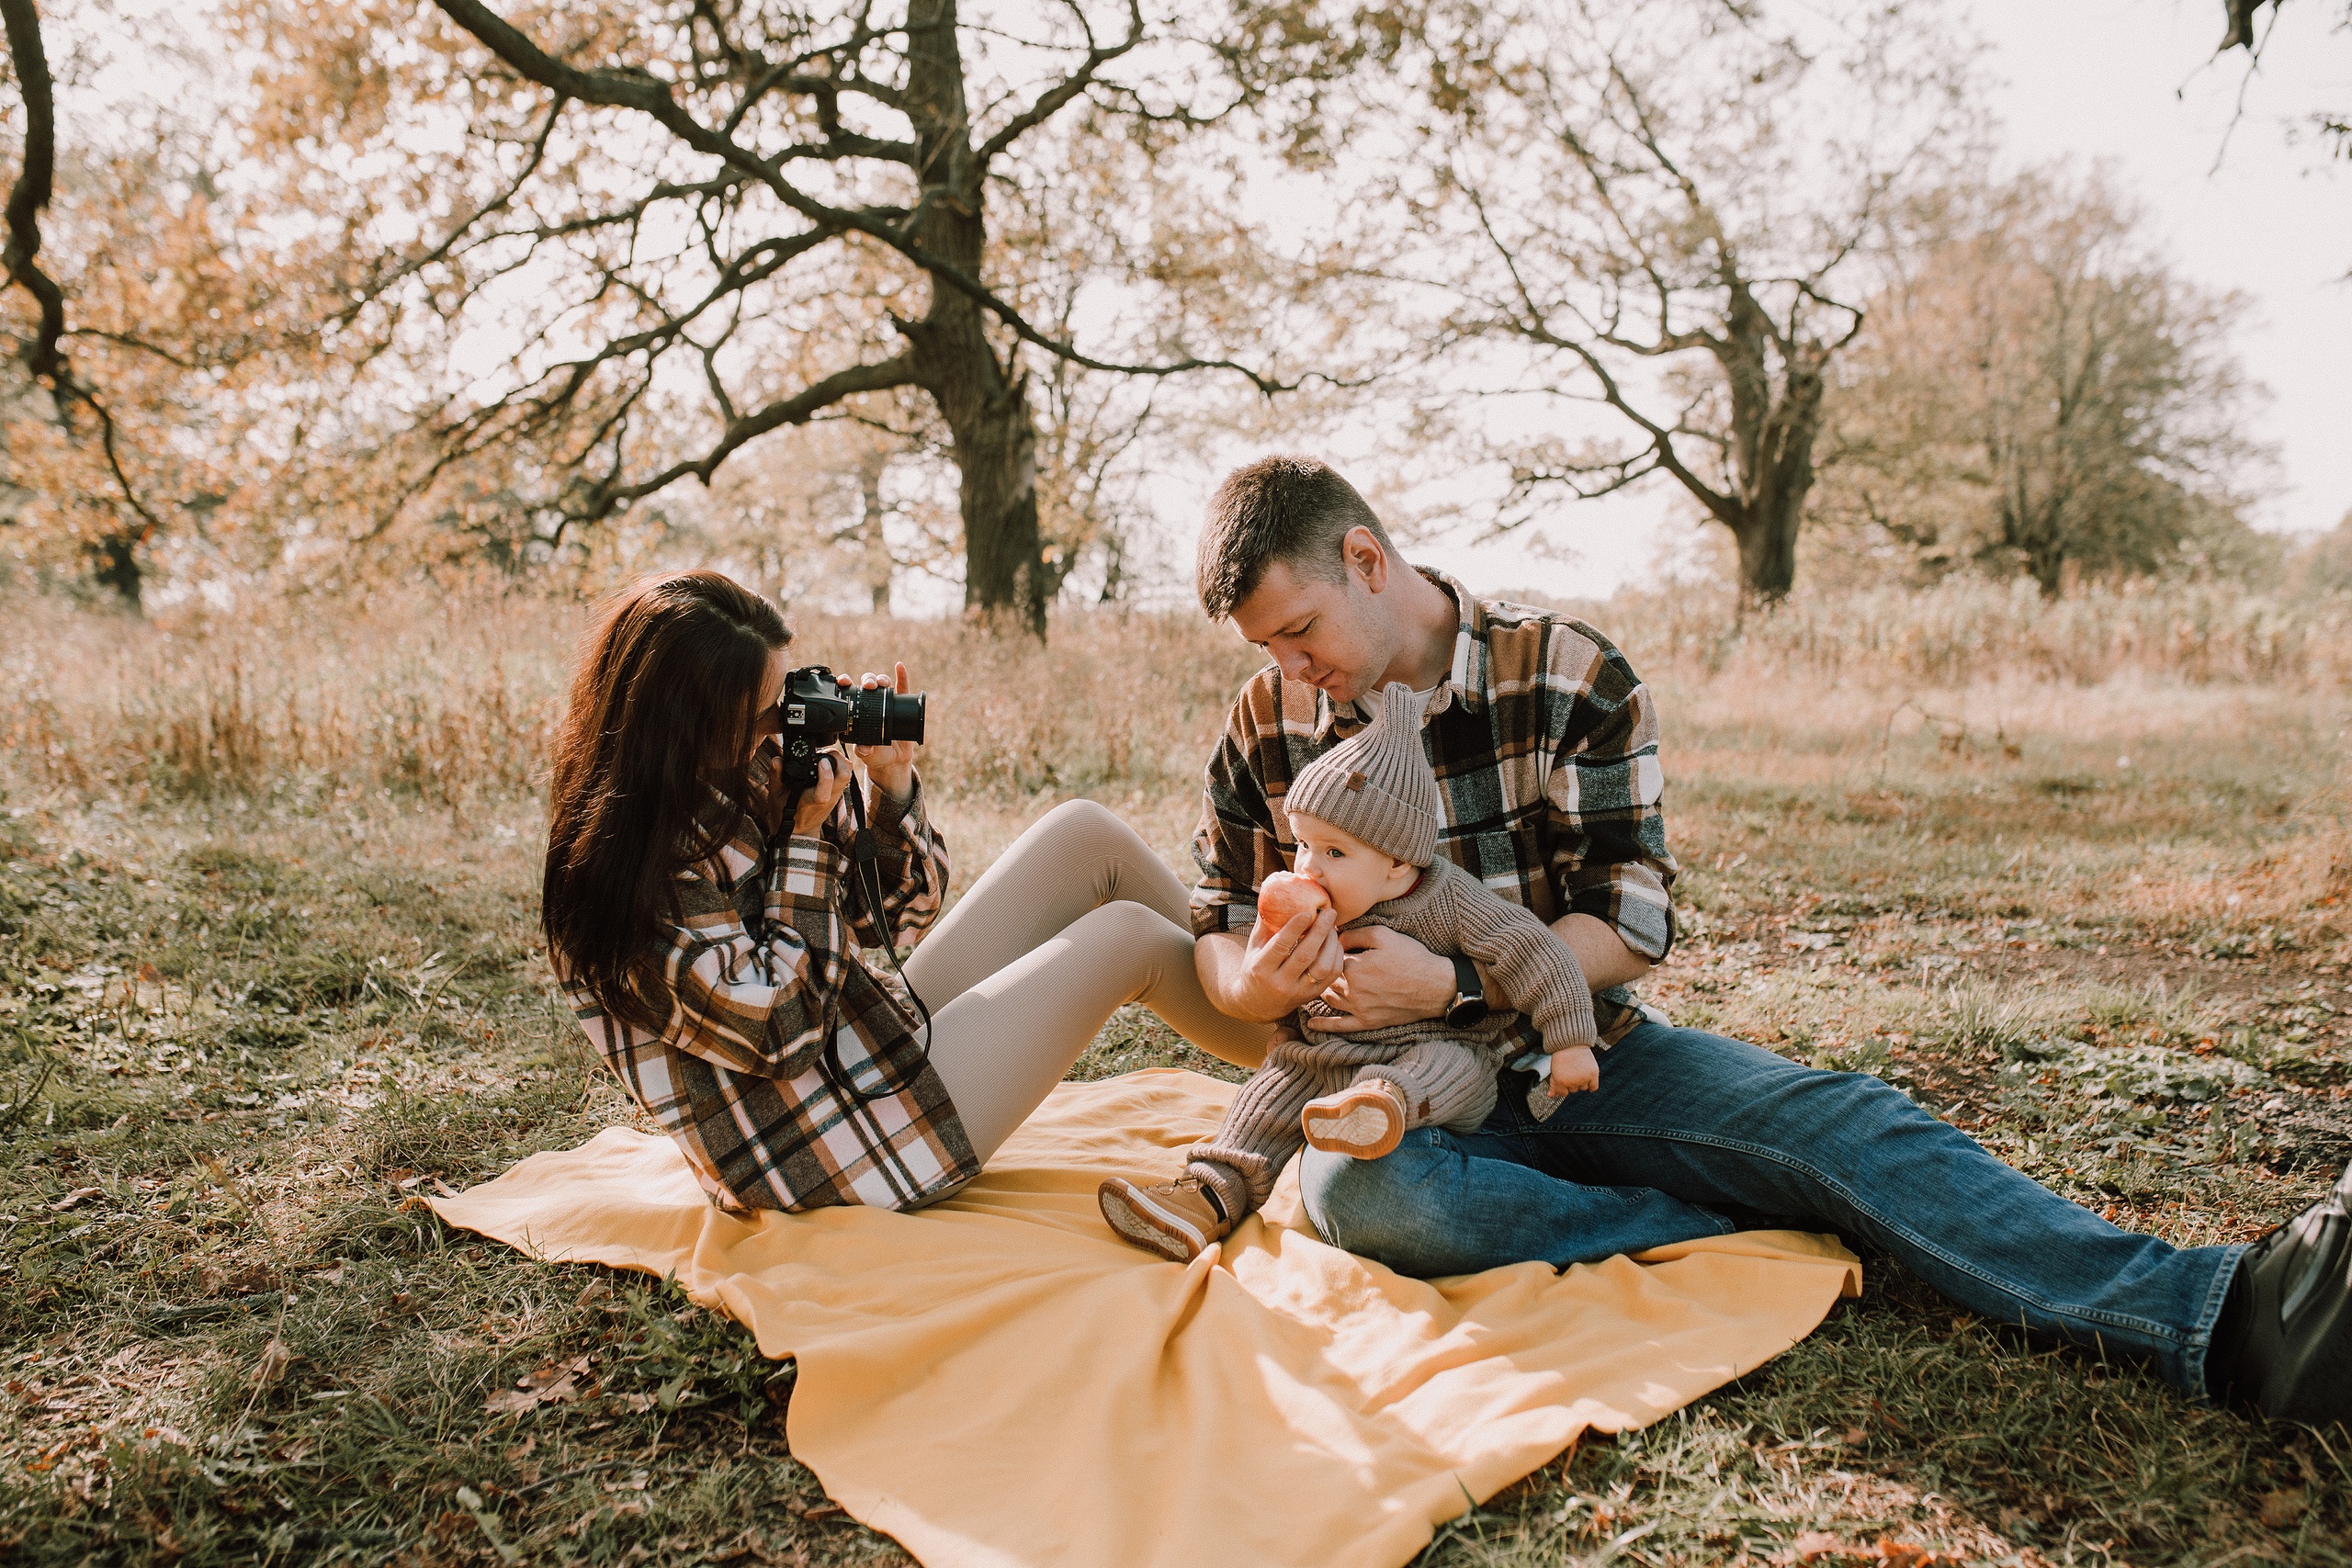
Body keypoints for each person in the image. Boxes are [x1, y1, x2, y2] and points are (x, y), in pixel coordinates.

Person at [1185, 455, 2352, 1425]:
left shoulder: (1567, 673)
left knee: (1841, 1123)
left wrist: (1450, 983)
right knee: (1363, 1198)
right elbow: (1215, 925)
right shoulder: (1267, 720)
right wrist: (1253, 984)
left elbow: (1629, 922)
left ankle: (2230, 1315)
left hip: (1580, 1054)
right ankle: (1706, 1224)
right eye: (1265, 649)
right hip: (1388, 1096)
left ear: (1367, 562)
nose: (1289, 668)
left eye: (1298, 629)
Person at [540, 570, 1271, 1214]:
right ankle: (1319, 1057)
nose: (783, 724)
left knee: (1086, 835)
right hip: (828, 1149)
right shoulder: (616, 878)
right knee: (1128, 939)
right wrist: (800, 842)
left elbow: (897, 916)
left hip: (868, 1051)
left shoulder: (744, 770)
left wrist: (888, 787)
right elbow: (780, 1034)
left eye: (785, 696)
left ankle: (1296, 1018)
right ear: (689, 725)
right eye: (765, 713)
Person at [1099, 680, 1724, 1263]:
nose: (1311, 864)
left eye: (1335, 851)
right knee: (1269, 1095)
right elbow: (1255, 962)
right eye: (1305, 843)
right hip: (1325, 1054)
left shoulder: (1446, 898)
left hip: (1439, 1050)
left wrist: (1570, 1042)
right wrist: (1270, 975)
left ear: (1399, 866)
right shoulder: (1309, 901)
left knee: (1431, 1071)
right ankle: (1206, 1193)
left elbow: (1539, 955)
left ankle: (1380, 1107)